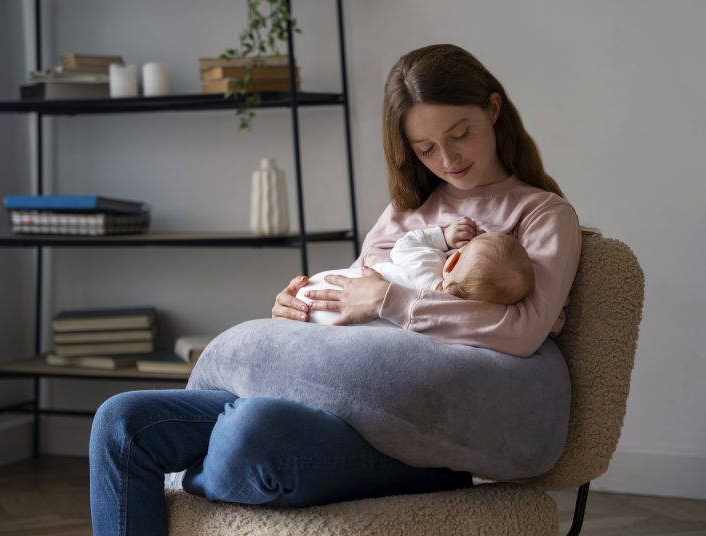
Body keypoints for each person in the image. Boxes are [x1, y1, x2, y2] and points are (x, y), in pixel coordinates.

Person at [90, 44, 581, 536]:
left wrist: (390, 301)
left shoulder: (540, 215)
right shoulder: (406, 214)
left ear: (493, 110)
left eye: (460, 135)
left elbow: (524, 331)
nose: (448, 159)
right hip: (325, 403)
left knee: (252, 430)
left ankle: (191, 472)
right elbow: (353, 306)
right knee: (121, 421)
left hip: (413, 437)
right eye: (426, 149)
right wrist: (301, 311)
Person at [296, 216, 535, 325]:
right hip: (338, 323)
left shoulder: (427, 263)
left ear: (451, 262)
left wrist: (444, 236)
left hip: (318, 290)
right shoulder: (448, 317)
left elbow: (406, 243)